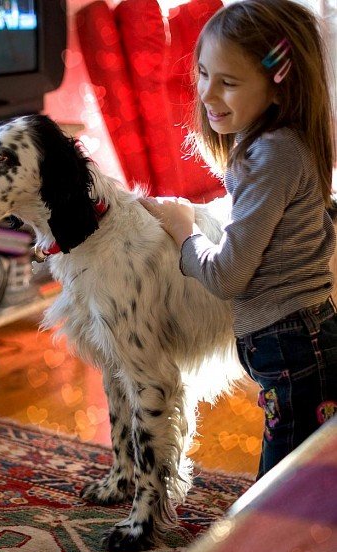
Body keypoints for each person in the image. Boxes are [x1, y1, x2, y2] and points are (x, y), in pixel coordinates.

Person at [140, 0, 337, 479]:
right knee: (304, 472)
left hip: (292, 344)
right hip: (304, 337)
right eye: (204, 74)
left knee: (281, 485)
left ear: (278, 85)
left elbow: (226, 275)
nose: (207, 94)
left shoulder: (271, 156)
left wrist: (184, 229)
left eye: (228, 82)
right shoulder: (284, 143)